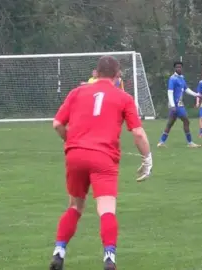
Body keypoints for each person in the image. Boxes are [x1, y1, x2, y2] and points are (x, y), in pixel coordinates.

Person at [49, 56, 153, 270]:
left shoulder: (77, 92)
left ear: (96, 73)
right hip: (104, 158)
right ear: (117, 76)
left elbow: (57, 123)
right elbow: (138, 133)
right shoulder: (123, 97)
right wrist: (147, 158)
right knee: (106, 210)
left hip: (75, 155)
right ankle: (109, 258)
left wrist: (71, 141)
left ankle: (59, 252)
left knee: (75, 206)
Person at [157, 61, 202, 148]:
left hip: (178, 104)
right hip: (177, 105)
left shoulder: (181, 78)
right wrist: (173, 105)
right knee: (186, 121)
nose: (179, 68)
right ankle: (190, 143)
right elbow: (170, 92)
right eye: (177, 67)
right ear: (174, 68)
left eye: (180, 67)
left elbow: (186, 89)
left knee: (170, 123)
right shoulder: (172, 78)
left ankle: (161, 142)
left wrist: (197, 94)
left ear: (182, 68)